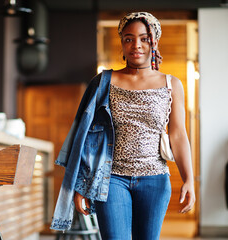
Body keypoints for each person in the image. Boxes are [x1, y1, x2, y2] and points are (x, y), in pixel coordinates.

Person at [50, 12, 195, 239]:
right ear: (122, 43)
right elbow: (86, 138)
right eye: (129, 39)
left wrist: (188, 179)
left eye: (144, 38)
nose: (136, 45)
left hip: (155, 180)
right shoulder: (103, 82)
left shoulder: (171, 84)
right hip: (111, 180)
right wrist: (81, 185)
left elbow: (178, 135)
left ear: (154, 41)